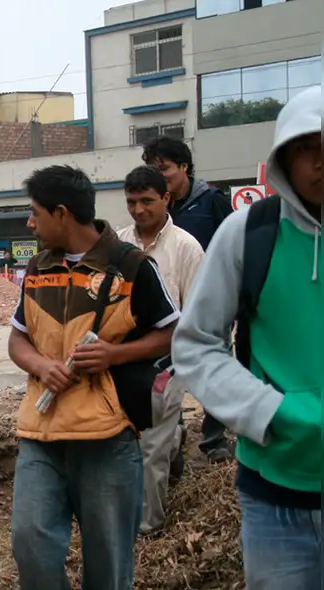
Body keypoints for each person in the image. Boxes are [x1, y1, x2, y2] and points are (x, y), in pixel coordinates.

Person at [172, 86, 321, 589]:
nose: (321, 161)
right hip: (272, 493)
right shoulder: (247, 233)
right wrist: (266, 411)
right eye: (307, 147)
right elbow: (195, 342)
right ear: (283, 156)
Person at [8, 165, 180, 590]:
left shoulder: (131, 267)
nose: (30, 224)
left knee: (108, 568)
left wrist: (113, 354)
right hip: (40, 434)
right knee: (29, 541)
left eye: (35, 214)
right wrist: (40, 365)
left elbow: (174, 332)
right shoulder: (36, 269)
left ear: (61, 213)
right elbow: (17, 340)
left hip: (107, 437)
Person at [117, 165, 205, 535]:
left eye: (147, 201)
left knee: (150, 450)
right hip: (121, 362)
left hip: (167, 364)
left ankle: (148, 527)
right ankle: (174, 439)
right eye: (132, 202)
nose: (138, 210)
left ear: (166, 198)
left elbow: (196, 310)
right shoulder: (118, 246)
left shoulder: (185, 247)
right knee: (128, 443)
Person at [141, 136, 234, 462]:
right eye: (153, 168)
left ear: (184, 167)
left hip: (212, 303)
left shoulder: (211, 203)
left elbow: (236, 247)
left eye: (164, 168)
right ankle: (174, 438)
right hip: (167, 310)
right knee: (166, 375)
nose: (159, 174)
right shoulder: (157, 206)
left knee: (213, 368)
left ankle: (214, 439)